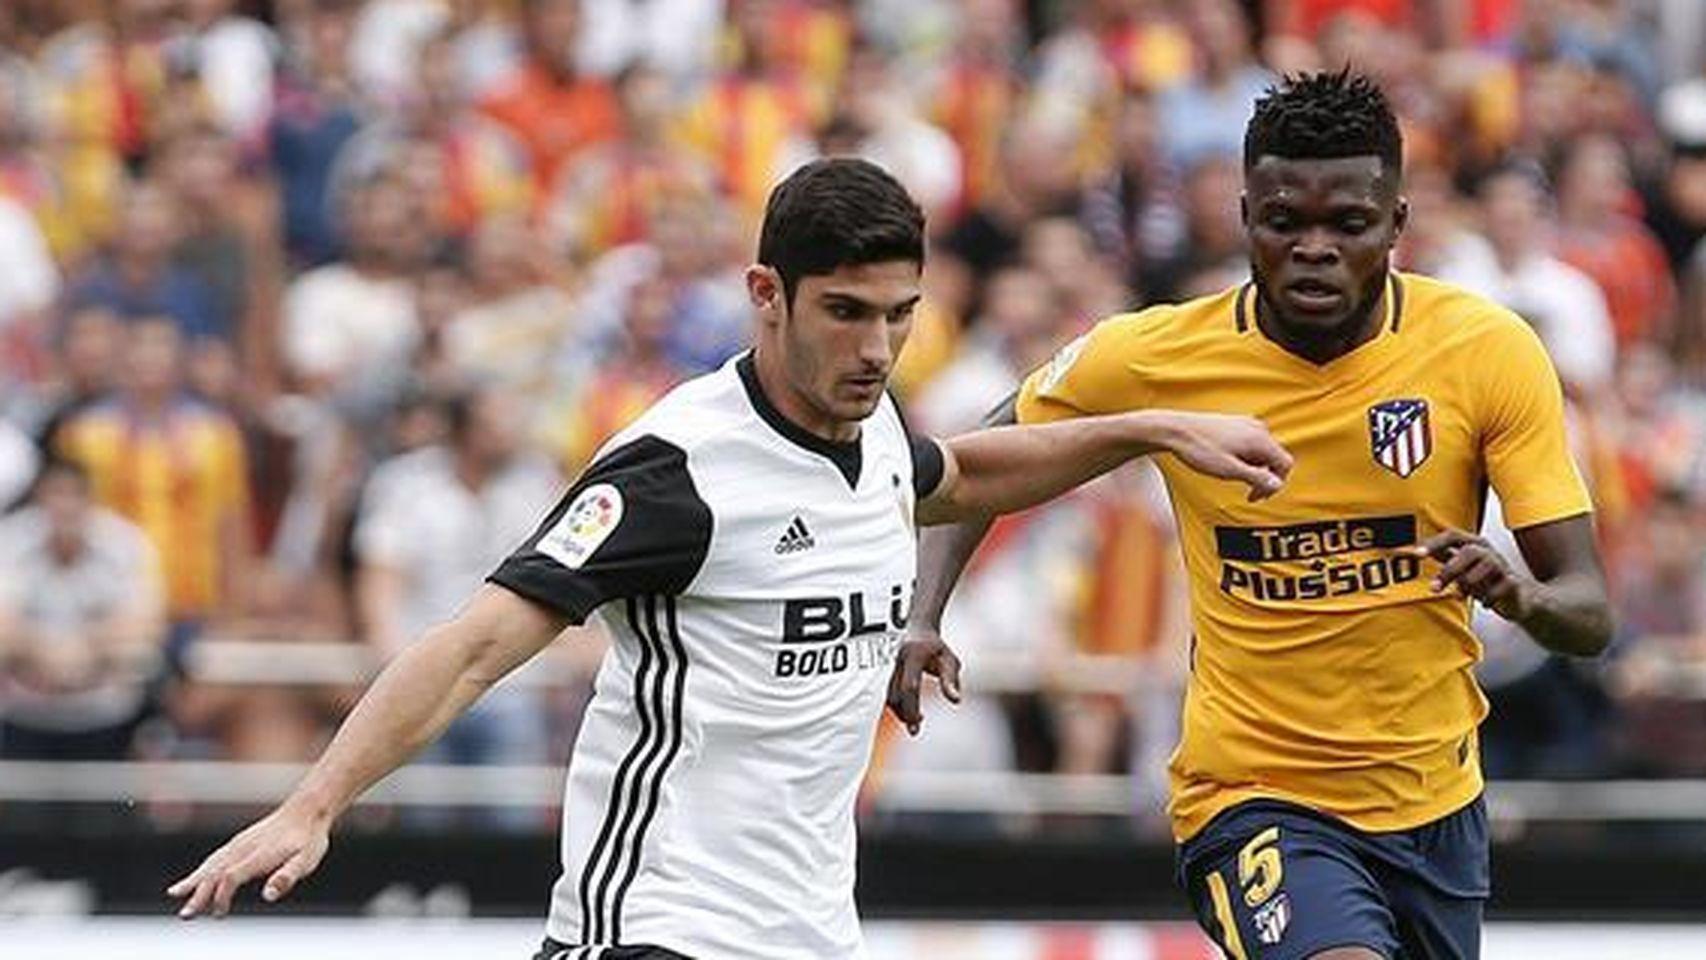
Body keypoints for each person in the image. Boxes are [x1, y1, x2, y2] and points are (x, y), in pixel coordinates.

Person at [166, 158, 1293, 959]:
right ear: (765, 294)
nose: (875, 348)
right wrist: (315, 803)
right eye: (844, 313)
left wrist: (1146, 430)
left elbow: (964, 476)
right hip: (657, 922)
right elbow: (473, 646)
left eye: (897, 316)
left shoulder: (874, 438)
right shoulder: (678, 468)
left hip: (805, 928)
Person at [900, 72, 1613, 960]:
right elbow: (968, 468)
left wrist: (1524, 600)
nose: (1314, 249)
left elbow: (1588, 613)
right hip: (1253, 796)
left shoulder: (1486, 352)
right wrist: (922, 614)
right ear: (1244, 216)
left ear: (1396, 225)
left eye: (1347, 225)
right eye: (1284, 222)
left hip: (1435, 805)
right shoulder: (1156, 355)